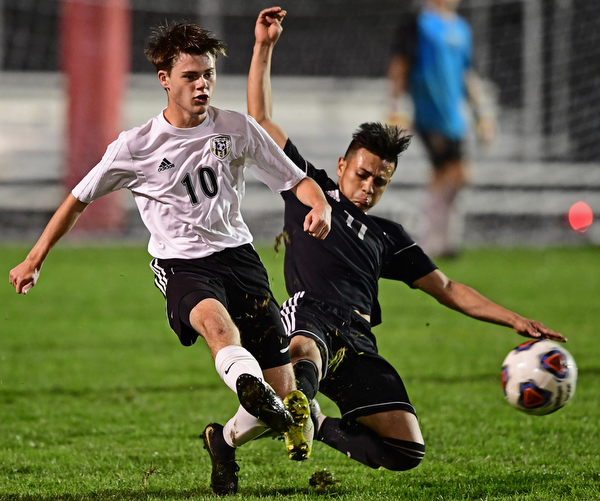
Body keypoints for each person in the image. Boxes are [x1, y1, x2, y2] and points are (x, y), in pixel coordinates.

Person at [9, 21, 331, 495]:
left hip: (239, 258)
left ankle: (222, 440)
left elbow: (295, 180)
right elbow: (78, 199)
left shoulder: (236, 129)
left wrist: (320, 203)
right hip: (182, 264)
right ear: (164, 77)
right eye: (190, 76)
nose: (202, 84)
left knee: (284, 392)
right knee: (218, 328)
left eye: (208, 75)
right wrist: (35, 258)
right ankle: (246, 384)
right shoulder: (135, 146)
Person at [248, 6, 566, 473]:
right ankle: (295, 404)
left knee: (406, 451)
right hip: (310, 312)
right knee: (303, 352)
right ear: (341, 165)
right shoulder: (309, 189)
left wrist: (514, 319)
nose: (369, 187)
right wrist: (264, 46)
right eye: (362, 174)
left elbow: (448, 289)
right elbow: (260, 118)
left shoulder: (388, 235)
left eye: (381, 181)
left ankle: (313, 422)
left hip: (358, 338)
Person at [387, 0, 496, 258]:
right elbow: (400, 66)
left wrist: (482, 114)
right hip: (429, 113)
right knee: (458, 173)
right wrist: (395, 108)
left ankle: (436, 242)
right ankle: (436, 241)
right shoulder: (417, 24)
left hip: (454, 118)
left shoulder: (461, 28)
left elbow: (467, 74)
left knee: (445, 176)